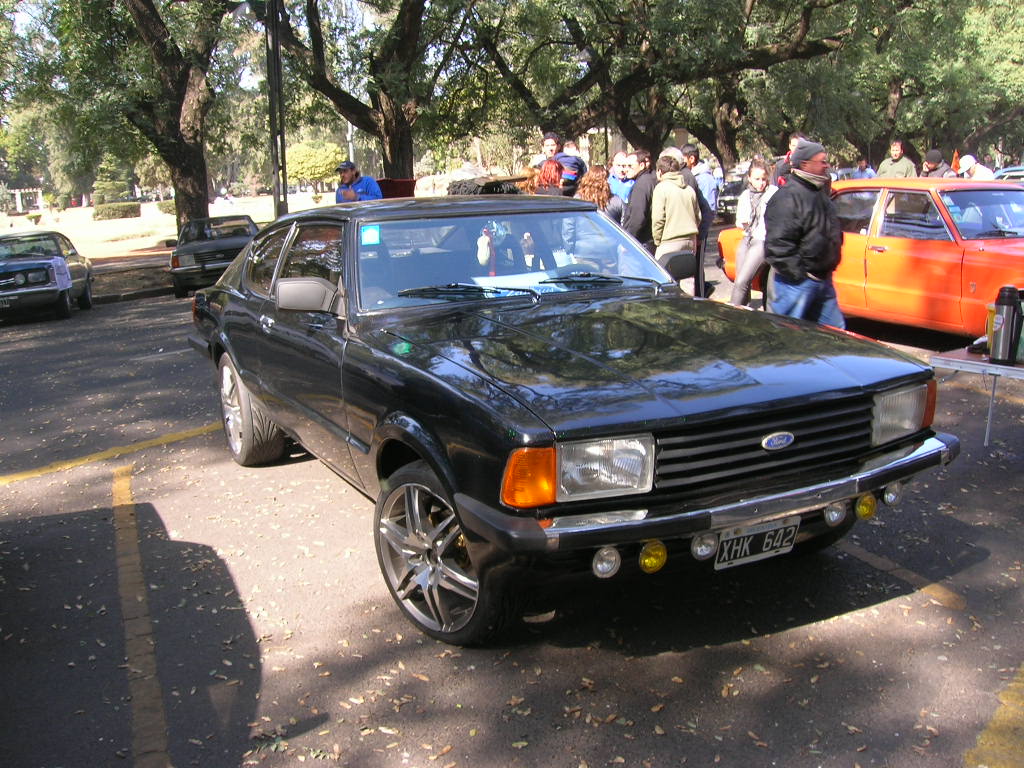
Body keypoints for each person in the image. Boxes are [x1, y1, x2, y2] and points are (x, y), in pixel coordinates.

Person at [763, 140, 845, 328]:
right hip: (797, 284)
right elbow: (777, 246)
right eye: (822, 161)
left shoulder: (818, 193)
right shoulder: (787, 197)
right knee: (789, 339)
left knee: (835, 336)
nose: (826, 165)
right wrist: (800, 274)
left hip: (823, 281)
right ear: (805, 164)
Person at [729, 159, 778, 308]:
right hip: (747, 237)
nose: (761, 183)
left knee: (742, 281)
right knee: (741, 280)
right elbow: (740, 221)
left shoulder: (773, 193)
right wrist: (746, 222)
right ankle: (744, 310)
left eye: (764, 179)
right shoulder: (745, 195)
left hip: (762, 240)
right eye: (757, 179)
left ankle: (732, 314)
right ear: (749, 178)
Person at [651, 156, 701, 262]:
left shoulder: (661, 188)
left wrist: (657, 241)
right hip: (690, 240)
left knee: (663, 276)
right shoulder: (689, 189)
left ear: (659, 171)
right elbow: (698, 216)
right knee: (687, 275)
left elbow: (658, 219)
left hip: (669, 241)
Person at [621, 150, 657, 253]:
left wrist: (628, 241)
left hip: (641, 243)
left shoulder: (641, 185)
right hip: (649, 242)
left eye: (630, 166)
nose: (626, 170)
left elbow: (637, 218)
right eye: (624, 166)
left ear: (641, 165)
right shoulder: (650, 180)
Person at [540, 132, 587, 196]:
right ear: (543, 148)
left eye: (553, 145)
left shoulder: (568, 162)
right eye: (547, 146)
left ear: (559, 146)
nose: (550, 148)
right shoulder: (541, 164)